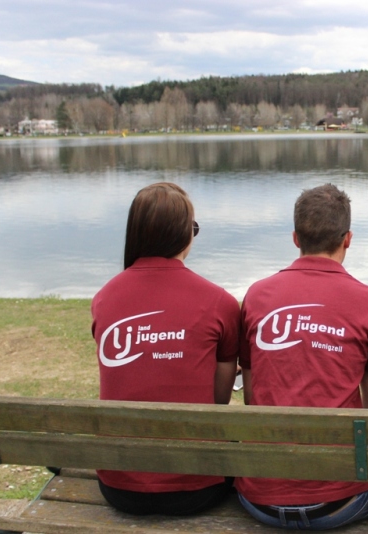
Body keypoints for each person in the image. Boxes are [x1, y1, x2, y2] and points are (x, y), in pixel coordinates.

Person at [237, 183, 368, 530]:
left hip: (261, 498)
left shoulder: (257, 295)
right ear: (348, 239)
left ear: (295, 238)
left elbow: (251, 396)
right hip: (341, 502)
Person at [91, 182, 241, 515]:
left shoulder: (104, 299)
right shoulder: (220, 302)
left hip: (119, 488)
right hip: (196, 489)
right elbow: (218, 401)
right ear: (185, 234)